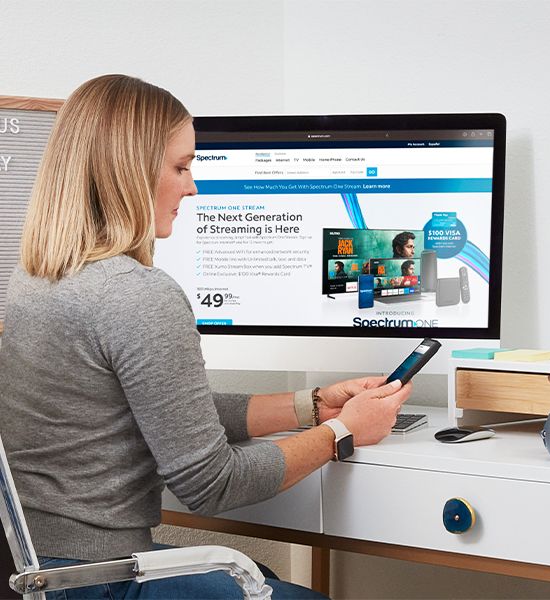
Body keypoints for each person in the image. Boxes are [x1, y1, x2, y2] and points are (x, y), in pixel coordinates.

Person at [0, 75, 412, 600]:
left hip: (44, 568)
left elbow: (160, 407)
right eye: (180, 166)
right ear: (129, 170)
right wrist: (345, 433)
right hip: (97, 577)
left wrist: (311, 407)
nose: (192, 186)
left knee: (267, 578)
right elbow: (212, 483)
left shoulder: (37, 275)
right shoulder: (135, 294)